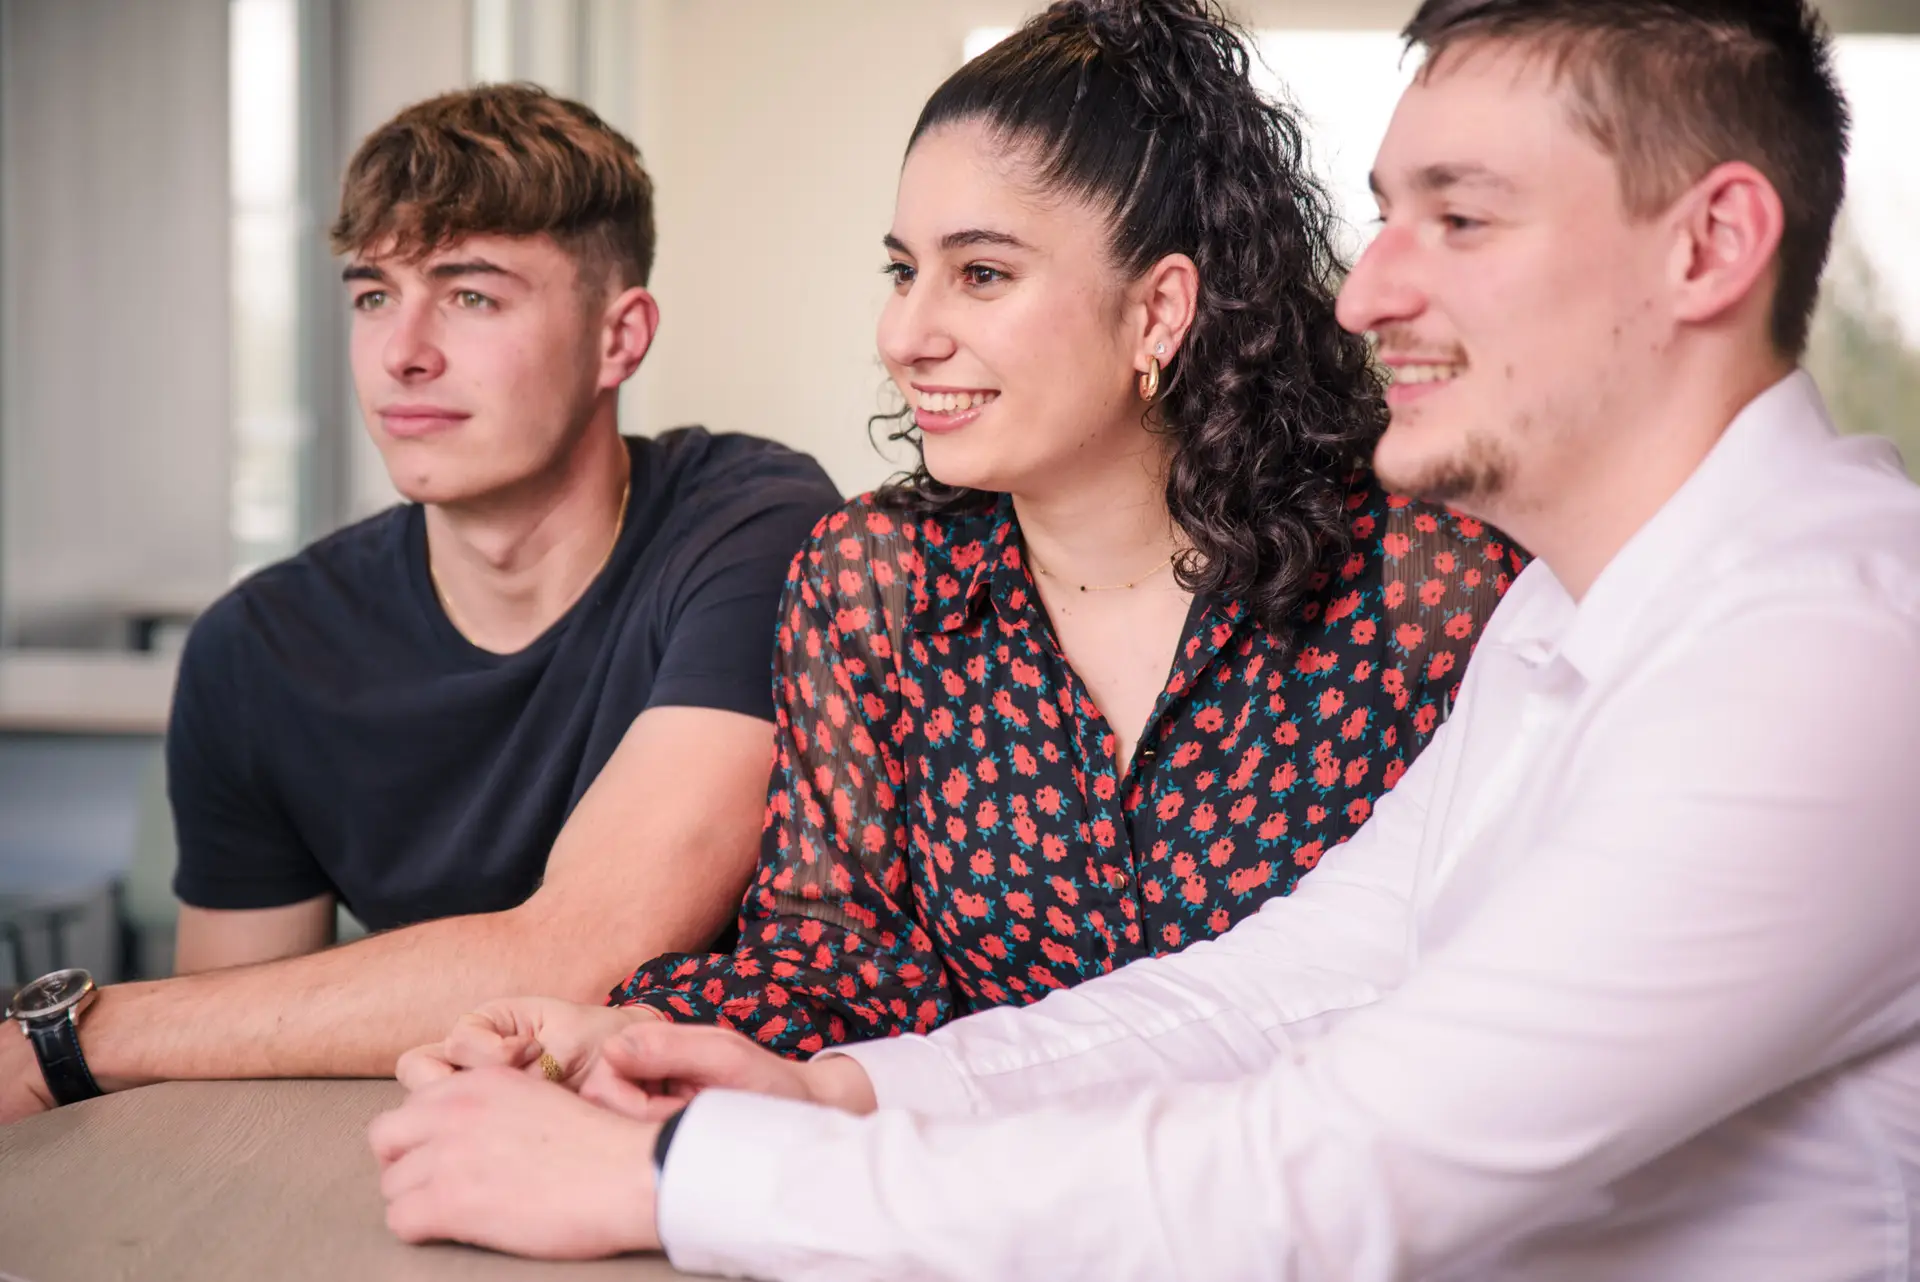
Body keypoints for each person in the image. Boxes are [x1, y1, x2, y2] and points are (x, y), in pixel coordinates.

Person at [370, 0, 1920, 1278]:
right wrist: (822, 1084)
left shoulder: (1824, 661)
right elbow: (1267, 990)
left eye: (1459, 218)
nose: (1370, 290)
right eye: (1386, 219)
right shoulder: (1580, 613)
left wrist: (672, 1174)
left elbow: (1322, 1169)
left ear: (1710, 246)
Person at [392, 0, 1517, 1094]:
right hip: (962, 1223)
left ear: (1159, 312)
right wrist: (617, 1038)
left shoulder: (1423, 588)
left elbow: (1481, 999)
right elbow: (836, 962)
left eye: (980, 273)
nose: (904, 334)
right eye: (902, 270)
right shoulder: (873, 582)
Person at [0, 84, 840, 1121]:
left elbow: (583, 951)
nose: (403, 352)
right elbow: (205, 1071)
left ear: (619, 338)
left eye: (471, 295)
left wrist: (66, 1039)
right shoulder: (260, 650)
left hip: (707, 1156)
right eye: (372, 296)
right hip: (428, 1152)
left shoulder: (756, 528)